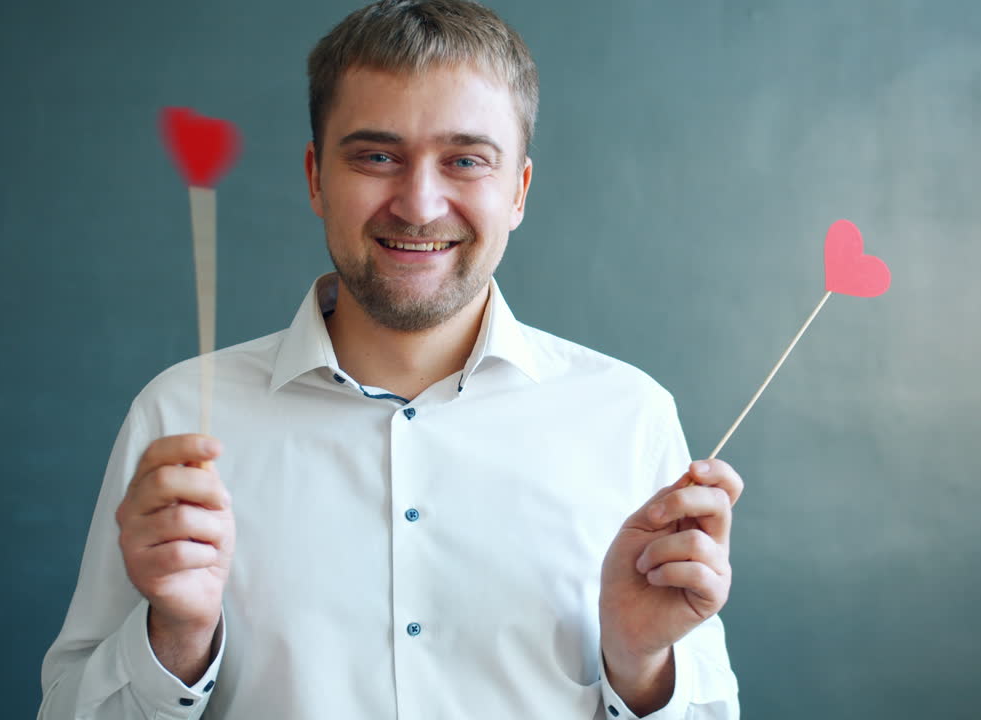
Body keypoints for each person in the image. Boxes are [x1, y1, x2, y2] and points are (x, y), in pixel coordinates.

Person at [39, 1, 742, 717]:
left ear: (519, 192)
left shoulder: (627, 418)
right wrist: (175, 639)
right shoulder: (181, 415)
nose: (418, 204)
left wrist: (643, 665)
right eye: (377, 156)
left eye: (465, 160)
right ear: (316, 178)